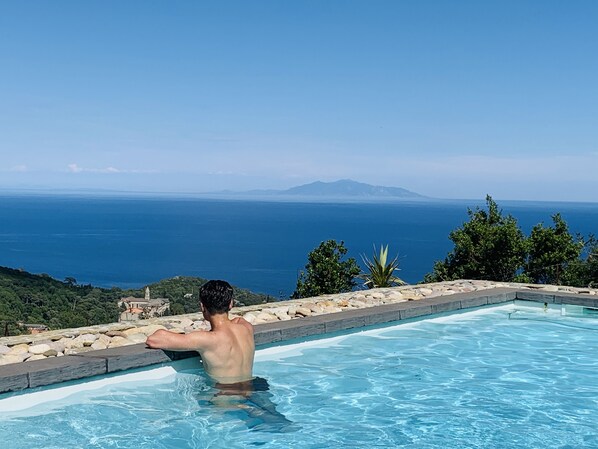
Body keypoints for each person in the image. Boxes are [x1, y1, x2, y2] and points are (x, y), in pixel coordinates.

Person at [146, 279, 255, 384]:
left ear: (202, 306)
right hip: (251, 386)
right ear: (231, 303)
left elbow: (153, 340)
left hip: (226, 395)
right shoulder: (246, 328)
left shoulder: (207, 339)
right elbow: (239, 320)